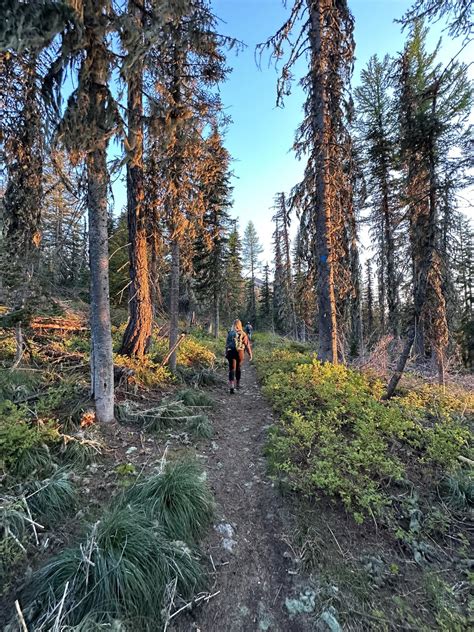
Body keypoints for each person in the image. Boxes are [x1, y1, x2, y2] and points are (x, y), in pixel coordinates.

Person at [225, 318, 252, 394]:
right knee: (238, 368)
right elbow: (247, 345)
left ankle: (231, 386)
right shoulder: (243, 334)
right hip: (240, 352)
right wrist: (250, 354)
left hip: (231, 352)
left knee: (231, 369)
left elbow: (227, 344)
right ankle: (238, 384)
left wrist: (226, 352)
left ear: (234, 325)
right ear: (240, 325)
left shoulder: (230, 333)